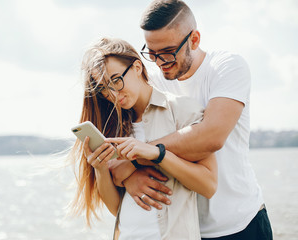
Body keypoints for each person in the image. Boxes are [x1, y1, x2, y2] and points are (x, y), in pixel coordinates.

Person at [109, 0, 273, 239]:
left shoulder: (226, 67)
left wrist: (138, 158)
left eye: (167, 53)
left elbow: (211, 137)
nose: (159, 62)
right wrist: (130, 179)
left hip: (241, 223)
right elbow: (124, 147)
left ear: (194, 39)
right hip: (187, 229)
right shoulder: (153, 81)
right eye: (151, 53)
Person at [69, 37, 217, 239]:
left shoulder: (182, 110)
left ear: (137, 67)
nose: (113, 94)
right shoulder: (114, 128)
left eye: (115, 80)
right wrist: (101, 169)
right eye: (104, 88)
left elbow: (208, 186)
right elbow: (116, 209)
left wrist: (158, 154)